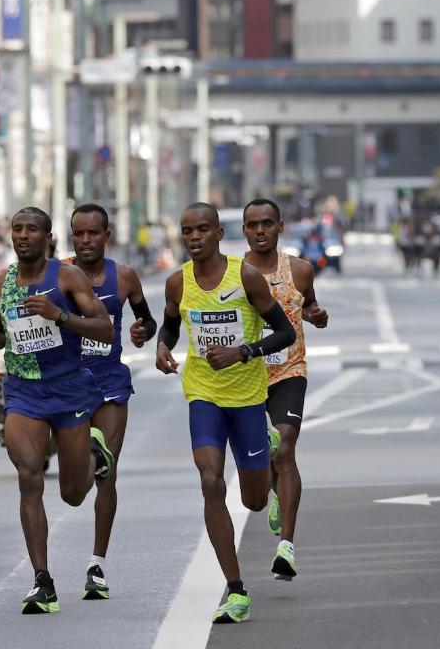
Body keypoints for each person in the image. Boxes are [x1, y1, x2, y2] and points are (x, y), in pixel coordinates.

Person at [155, 202, 296, 624]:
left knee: (253, 501)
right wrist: (162, 346)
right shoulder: (177, 282)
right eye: (186, 231)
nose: (194, 237)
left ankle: (267, 450)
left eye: (202, 229)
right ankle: (236, 590)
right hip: (203, 394)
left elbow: (285, 332)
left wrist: (244, 351)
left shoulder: (246, 277)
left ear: (218, 233)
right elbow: (170, 326)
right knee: (210, 480)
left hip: (249, 397)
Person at [0, 206, 117, 615]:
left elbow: (105, 328)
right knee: (28, 475)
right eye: (17, 229)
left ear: (47, 237)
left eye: (32, 229)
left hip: (69, 391)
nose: (23, 235)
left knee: (74, 495)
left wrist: (59, 315)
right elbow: (0, 333)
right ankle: (42, 580)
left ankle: (95, 454)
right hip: (23, 393)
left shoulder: (66, 277)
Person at [65, 203, 158, 600]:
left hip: (109, 382)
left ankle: (97, 565)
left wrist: (142, 331)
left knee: (107, 471)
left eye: (93, 233)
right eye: (79, 234)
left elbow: (148, 320)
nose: (86, 241)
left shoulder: (124, 277)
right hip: (66, 385)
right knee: (77, 486)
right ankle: (87, 452)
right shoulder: (58, 275)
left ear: (107, 235)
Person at [242, 198, 329, 582]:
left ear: (279, 227)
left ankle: (287, 548)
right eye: (251, 225)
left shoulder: (301, 270)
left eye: (266, 223)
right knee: (267, 456)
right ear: (244, 230)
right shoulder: (234, 273)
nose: (259, 230)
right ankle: (275, 493)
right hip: (244, 376)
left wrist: (316, 315)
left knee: (286, 446)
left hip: (289, 370)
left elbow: (308, 305)